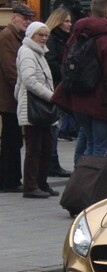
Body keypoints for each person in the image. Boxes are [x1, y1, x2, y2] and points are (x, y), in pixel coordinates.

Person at [52, 0, 107, 160]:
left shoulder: (76, 35)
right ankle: (91, 184)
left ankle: (80, 180)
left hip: (79, 101)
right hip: (102, 104)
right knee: (100, 150)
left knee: (91, 144)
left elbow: (65, 65)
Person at [15, 22, 59, 198]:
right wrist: (51, 96)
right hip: (33, 108)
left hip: (41, 108)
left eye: (46, 35)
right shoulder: (27, 52)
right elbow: (29, 80)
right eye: (40, 35)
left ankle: (41, 182)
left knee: (46, 147)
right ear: (32, 35)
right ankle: (31, 186)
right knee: (34, 149)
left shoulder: (39, 53)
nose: (43, 38)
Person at [0, 4, 34, 194]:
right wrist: (21, 90)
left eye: (29, 19)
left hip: (12, 96)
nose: (27, 21)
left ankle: (8, 178)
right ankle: (10, 180)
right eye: (24, 18)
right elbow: (11, 69)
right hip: (10, 97)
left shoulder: (18, 37)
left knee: (11, 139)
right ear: (14, 18)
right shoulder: (7, 36)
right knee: (12, 140)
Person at [44, 7, 73, 177]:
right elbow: (52, 62)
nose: (70, 24)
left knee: (56, 125)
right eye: (67, 21)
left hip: (62, 86)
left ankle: (52, 161)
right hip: (55, 87)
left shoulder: (66, 39)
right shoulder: (53, 39)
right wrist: (67, 71)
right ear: (58, 21)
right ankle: (51, 162)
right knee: (54, 126)